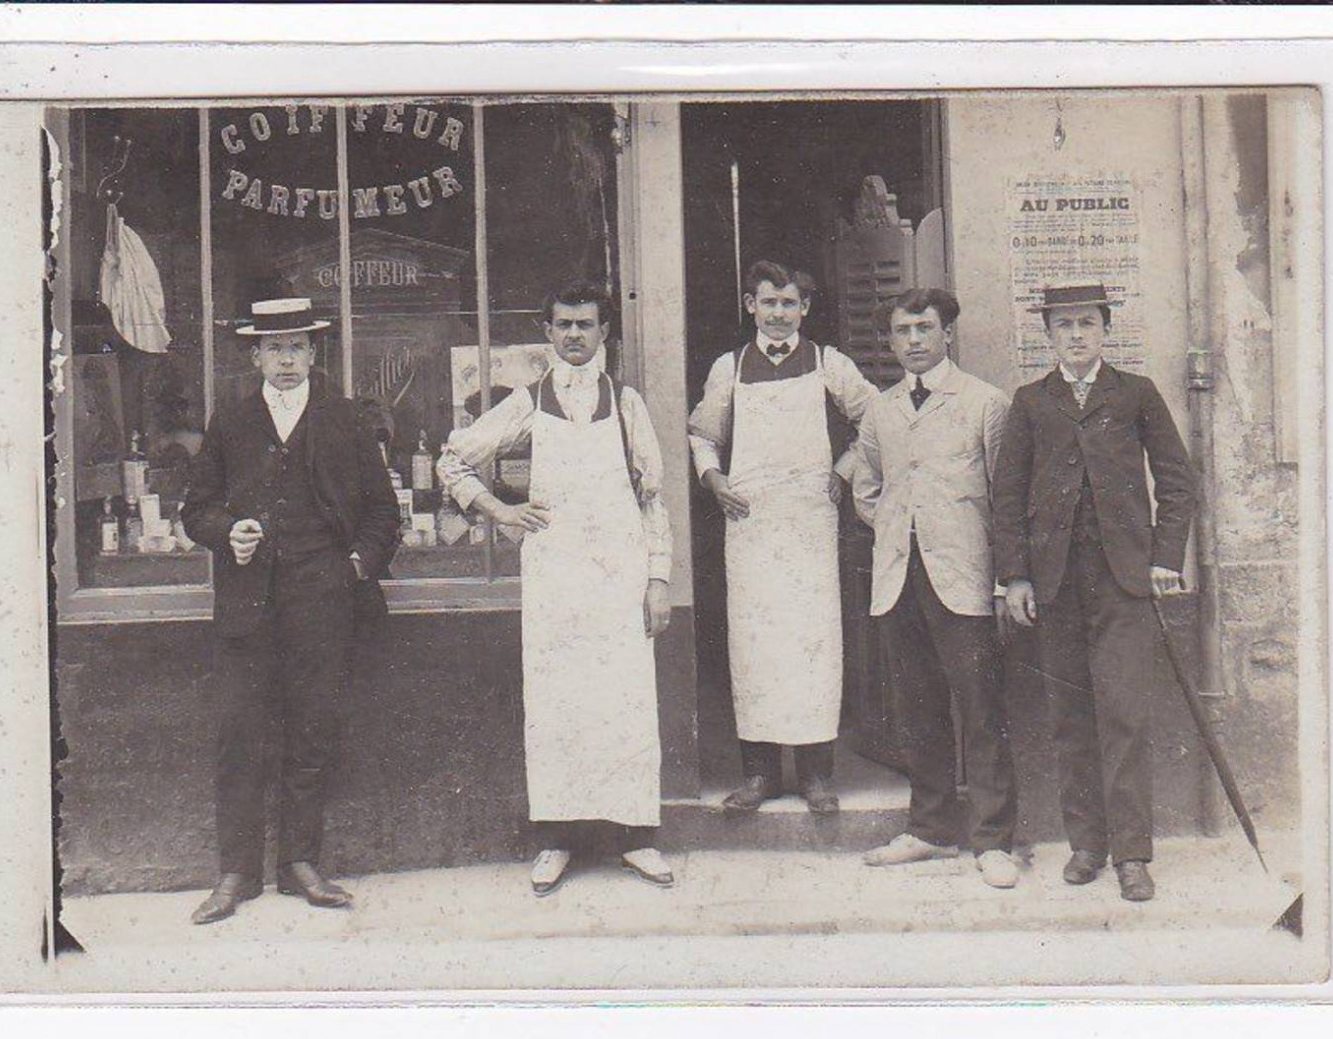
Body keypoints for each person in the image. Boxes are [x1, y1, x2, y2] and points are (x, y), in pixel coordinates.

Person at [437, 282, 674, 896]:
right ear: (547, 331)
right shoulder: (526, 403)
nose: (575, 335)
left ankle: (637, 839)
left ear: (603, 334)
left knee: (624, 707)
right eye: (564, 324)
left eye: (586, 325)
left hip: (619, 582)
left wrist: (657, 580)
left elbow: (653, 499)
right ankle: (557, 841)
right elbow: (453, 460)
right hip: (555, 585)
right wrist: (498, 510)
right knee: (558, 710)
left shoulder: (626, 405)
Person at [181, 297, 400, 924]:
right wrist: (228, 533)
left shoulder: (346, 419)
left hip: (324, 606)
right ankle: (236, 872)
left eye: (297, 347)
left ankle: (300, 862)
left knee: (312, 731)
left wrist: (352, 568)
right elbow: (195, 509)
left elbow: (384, 514)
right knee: (239, 735)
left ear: (312, 352)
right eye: (274, 348)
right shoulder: (233, 419)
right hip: (248, 609)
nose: (286, 359)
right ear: (255, 355)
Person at [992, 281, 1197, 902]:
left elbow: (1177, 481)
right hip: (1054, 586)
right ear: (1048, 335)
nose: (1076, 335)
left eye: (1086, 323)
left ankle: (1133, 854)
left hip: (1123, 582)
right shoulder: (1030, 402)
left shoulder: (1134, 394)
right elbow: (1007, 498)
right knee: (1069, 718)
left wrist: (1163, 559)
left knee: (1125, 717)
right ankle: (1088, 844)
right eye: (1063, 326)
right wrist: (1017, 577)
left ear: (1105, 330)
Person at [687, 260, 878, 814]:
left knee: (813, 643)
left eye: (789, 303)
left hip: (810, 525)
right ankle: (760, 775)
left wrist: (843, 470)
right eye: (768, 303)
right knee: (755, 645)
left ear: (805, 309)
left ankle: (817, 774)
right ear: (751, 306)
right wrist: (713, 478)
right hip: (750, 525)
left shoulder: (829, 364)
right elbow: (703, 433)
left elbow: (875, 419)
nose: (778, 313)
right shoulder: (730, 367)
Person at [850, 288, 1020, 889]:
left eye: (924, 328)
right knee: (916, 705)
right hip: (901, 575)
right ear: (891, 342)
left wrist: (1003, 581)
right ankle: (929, 829)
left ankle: (994, 839)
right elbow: (867, 488)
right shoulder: (881, 410)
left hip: (966, 575)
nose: (914, 341)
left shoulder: (984, 404)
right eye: (902, 331)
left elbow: (1006, 496)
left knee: (980, 708)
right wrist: (903, 525)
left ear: (947, 332)